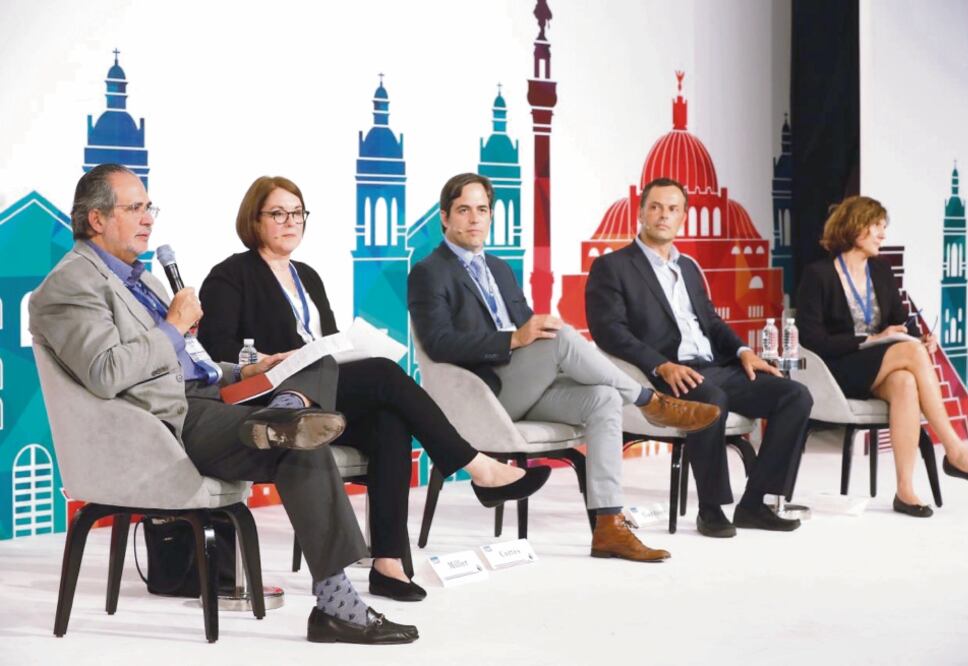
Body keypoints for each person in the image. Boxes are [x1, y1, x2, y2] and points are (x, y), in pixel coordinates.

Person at [29, 164, 418, 645]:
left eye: (149, 207)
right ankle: (338, 604)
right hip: (168, 420)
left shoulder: (143, 280)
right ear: (95, 220)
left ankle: (287, 410)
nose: (148, 218)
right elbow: (107, 373)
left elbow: (190, 361)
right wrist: (172, 326)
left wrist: (248, 372)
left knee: (310, 374)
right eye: (134, 208)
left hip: (213, 395)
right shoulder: (70, 285)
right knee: (299, 440)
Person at [197, 175, 550, 601]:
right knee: (383, 374)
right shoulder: (230, 275)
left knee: (388, 421)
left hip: (322, 387)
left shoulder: (306, 275)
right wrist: (268, 360)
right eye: (278, 213)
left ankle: (387, 564)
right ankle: (475, 465)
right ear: (254, 220)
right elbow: (217, 351)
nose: (291, 222)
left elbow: (325, 343)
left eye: (297, 212)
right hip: (275, 401)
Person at [408, 172, 721, 562]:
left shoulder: (500, 268)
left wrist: (532, 336)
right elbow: (438, 344)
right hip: (483, 395)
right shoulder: (428, 271)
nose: (474, 219)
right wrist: (514, 340)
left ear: (491, 216)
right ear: (445, 217)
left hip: (524, 385)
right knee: (561, 337)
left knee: (603, 396)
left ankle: (608, 525)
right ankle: (648, 399)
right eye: (464, 210)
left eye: (482, 210)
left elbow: (527, 327)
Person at [586, 178, 813, 537]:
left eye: (673, 209)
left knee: (794, 395)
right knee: (712, 398)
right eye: (656, 207)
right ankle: (711, 508)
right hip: (664, 374)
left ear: (684, 217)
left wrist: (744, 351)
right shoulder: (613, 266)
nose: (663, 215)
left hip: (715, 366)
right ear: (641, 211)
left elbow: (710, 321)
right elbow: (608, 330)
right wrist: (660, 364)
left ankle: (755, 503)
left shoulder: (688, 267)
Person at [796, 195, 968, 517]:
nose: (882, 234)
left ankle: (905, 491)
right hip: (836, 370)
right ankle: (954, 449)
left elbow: (898, 322)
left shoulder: (880, 271)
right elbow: (812, 340)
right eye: (876, 226)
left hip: (878, 365)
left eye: (883, 227)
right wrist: (872, 338)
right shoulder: (818, 274)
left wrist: (920, 339)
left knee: (905, 382)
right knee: (907, 355)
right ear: (855, 227)